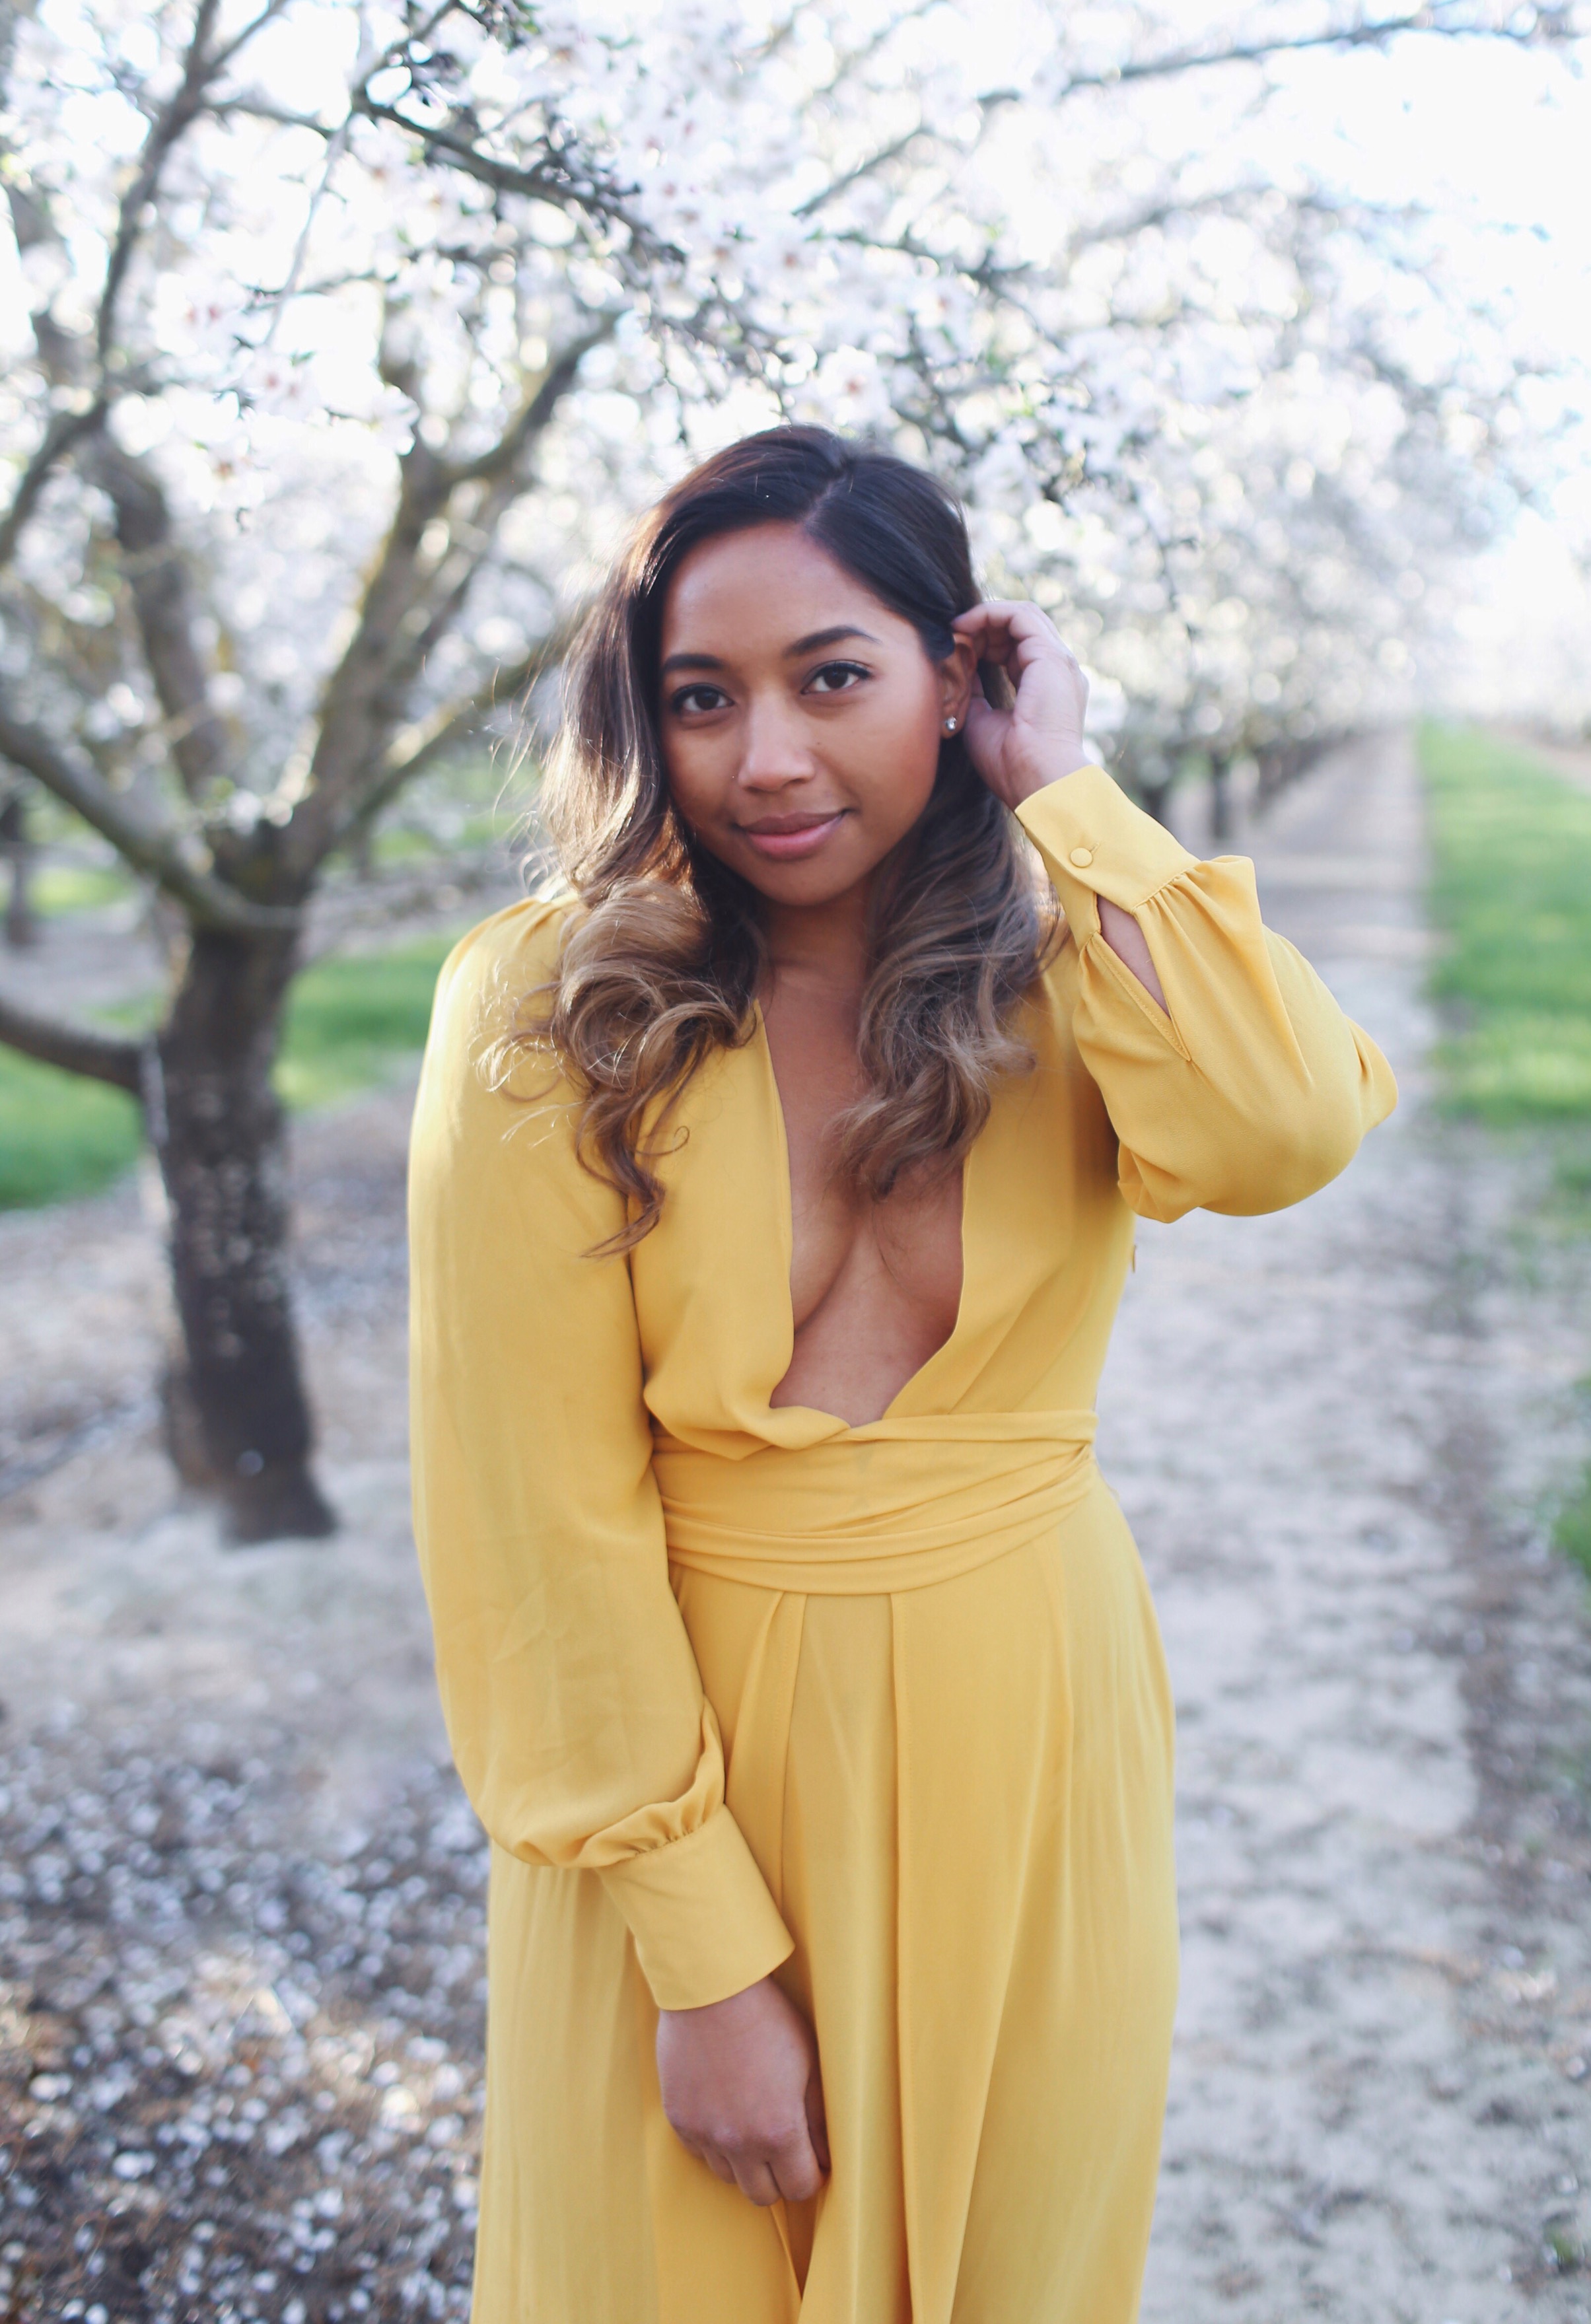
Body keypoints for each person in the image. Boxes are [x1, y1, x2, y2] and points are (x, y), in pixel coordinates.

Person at [407, 426, 1396, 2323]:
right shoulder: (548, 1012)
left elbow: (1280, 1132)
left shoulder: (1073, 974)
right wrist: (699, 1961)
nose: (764, 758)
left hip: (1029, 1741)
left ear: (958, 679)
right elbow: (531, 1524)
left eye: (833, 678)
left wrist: (1076, 796)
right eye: (701, 698)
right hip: (680, 1765)